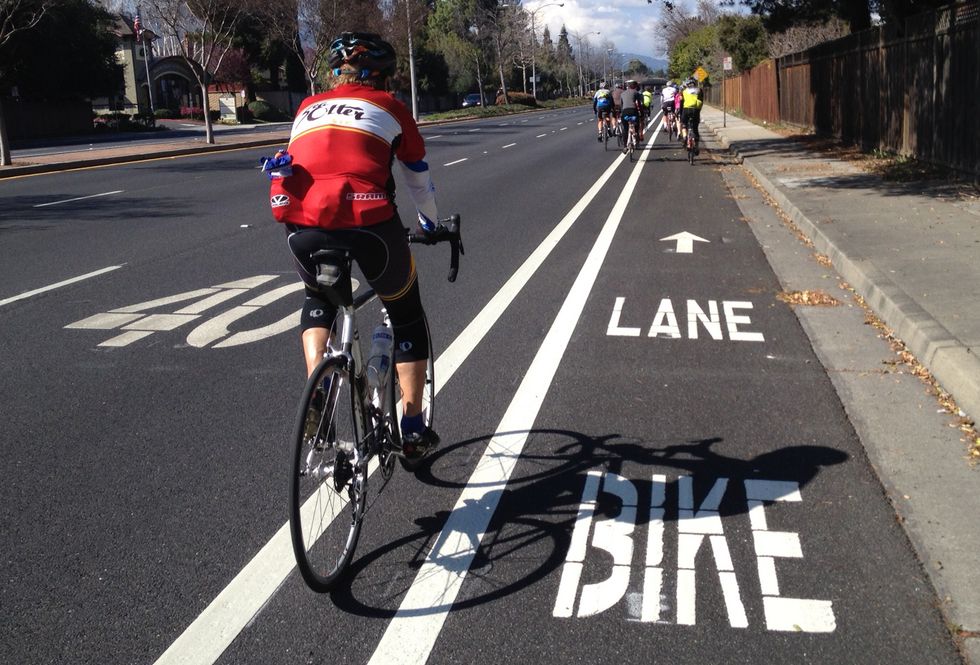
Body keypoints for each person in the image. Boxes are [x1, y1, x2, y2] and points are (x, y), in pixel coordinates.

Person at [265, 32, 439, 459]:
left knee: (317, 297)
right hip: (367, 221)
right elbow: (417, 175)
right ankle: (413, 426)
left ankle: (318, 388)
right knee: (406, 312)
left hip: (300, 222)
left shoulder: (307, 106)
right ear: (383, 77)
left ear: (334, 73)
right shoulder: (391, 107)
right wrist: (430, 223)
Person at [680, 76, 704, 154]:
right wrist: (699, 111)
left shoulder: (684, 91)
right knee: (695, 128)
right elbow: (701, 102)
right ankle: (696, 146)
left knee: (684, 125)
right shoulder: (699, 90)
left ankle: (684, 137)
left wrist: (680, 113)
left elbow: (681, 103)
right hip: (695, 110)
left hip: (686, 110)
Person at [619, 80, 643, 148]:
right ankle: (637, 140)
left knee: (625, 129)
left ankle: (624, 146)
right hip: (633, 110)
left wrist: (621, 113)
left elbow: (622, 105)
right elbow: (639, 104)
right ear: (635, 86)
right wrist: (641, 113)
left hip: (625, 111)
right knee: (636, 125)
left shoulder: (622, 93)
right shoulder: (636, 92)